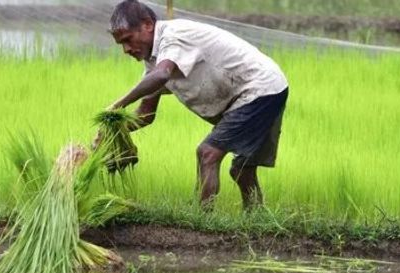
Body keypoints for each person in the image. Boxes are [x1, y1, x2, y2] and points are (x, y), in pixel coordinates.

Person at [103, 0, 289, 210]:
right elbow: (145, 114)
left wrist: (117, 105)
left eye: (128, 40)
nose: (126, 49)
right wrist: (113, 128)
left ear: (147, 24)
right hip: (257, 92)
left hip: (260, 88)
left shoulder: (173, 37)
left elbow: (161, 75)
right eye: (121, 44)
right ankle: (257, 218)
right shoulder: (154, 61)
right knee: (242, 169)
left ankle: (202, 221)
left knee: (207, 153)